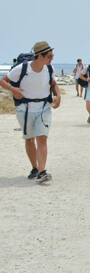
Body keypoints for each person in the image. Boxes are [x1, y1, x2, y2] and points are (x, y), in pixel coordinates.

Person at [0, 41, 61, 183]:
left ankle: (42, 171)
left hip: (44, 107)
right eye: (50, 56)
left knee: (42, 138)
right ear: (40, 56)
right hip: (25, 109)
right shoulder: (22, 68)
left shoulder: (49, 68)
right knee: (29, 139)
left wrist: (58, 95)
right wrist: (13, 90)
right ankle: (35, 167)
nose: (52, 58)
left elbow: (53, 83)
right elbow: (3, 81)